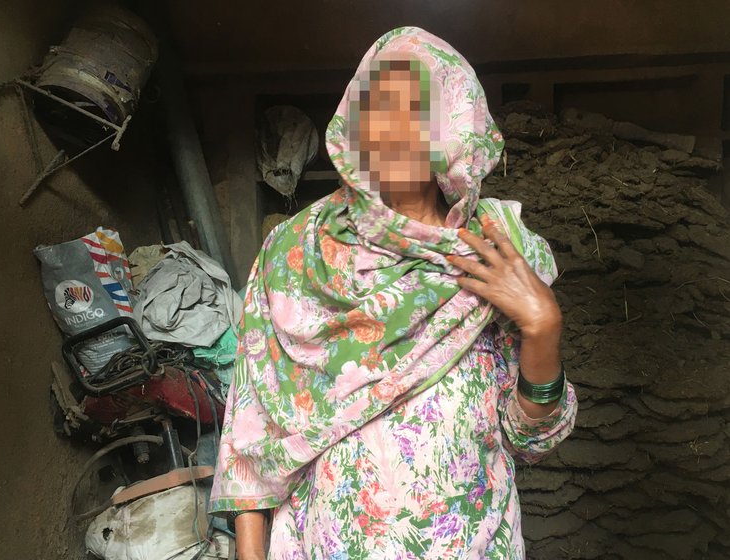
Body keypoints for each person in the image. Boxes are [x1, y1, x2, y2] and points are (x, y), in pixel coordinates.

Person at [210, 27, 577, 559]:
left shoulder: (495, 247)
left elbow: (532, 441)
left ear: (453, 125)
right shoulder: (296, 255)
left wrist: (544, 326)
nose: (392, 130)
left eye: (416, 111)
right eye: (376, 108)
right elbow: (251, 434)